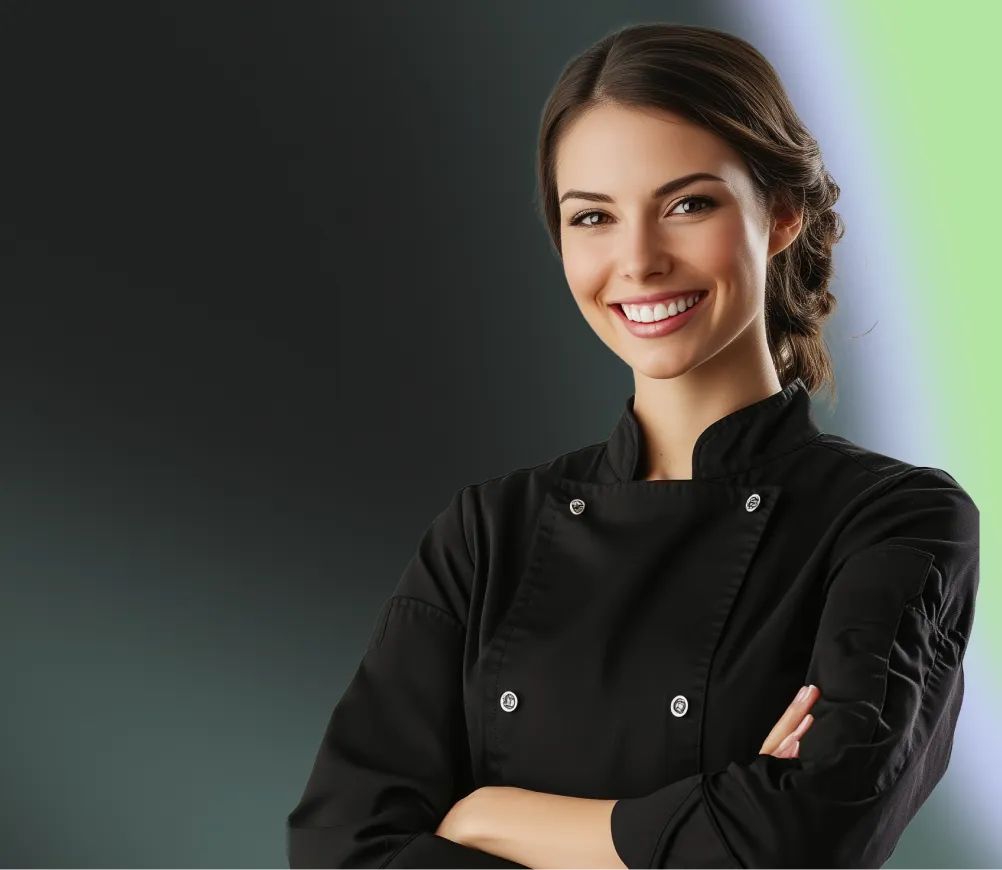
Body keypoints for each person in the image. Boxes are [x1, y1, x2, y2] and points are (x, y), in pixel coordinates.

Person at [286, 22, 980, 870]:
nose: (639, 260)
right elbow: (340, 846)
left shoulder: (893, 522)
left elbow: (802, 837)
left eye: (689, 204)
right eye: (593, 218)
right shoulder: (486, 534)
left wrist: (490, 816)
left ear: (783, 213)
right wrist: (707, 822)